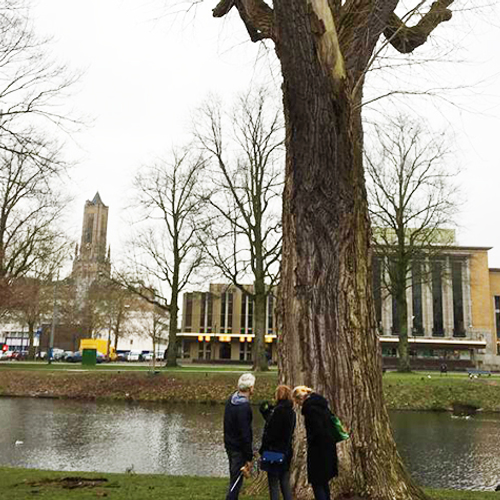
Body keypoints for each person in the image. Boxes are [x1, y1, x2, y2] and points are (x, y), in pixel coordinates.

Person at [292, 386, 338, 500]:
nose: (298, 405)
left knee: (317, 482)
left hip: (318, 450)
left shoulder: (310, 409)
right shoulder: (322, 405)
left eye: (297, 402)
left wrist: (310, 439)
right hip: (328, 447)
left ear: (300, 399)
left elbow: (317, 430)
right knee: (324, 482)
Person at [259, 385, 296, 500]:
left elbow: (272, 432)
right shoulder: (291, 412)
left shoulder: (278, 412)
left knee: (273, 483)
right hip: (286, 451)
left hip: (274, 450)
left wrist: (263, 449)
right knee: (285, 482)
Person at [223, 372, 256, 500]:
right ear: (249, 388)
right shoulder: (244, 406)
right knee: (236, 482)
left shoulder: (230, 400)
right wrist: (248, 456)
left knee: (234, 477)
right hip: (238, 449)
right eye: (253, 386)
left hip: (230, 445)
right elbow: (245, 433)